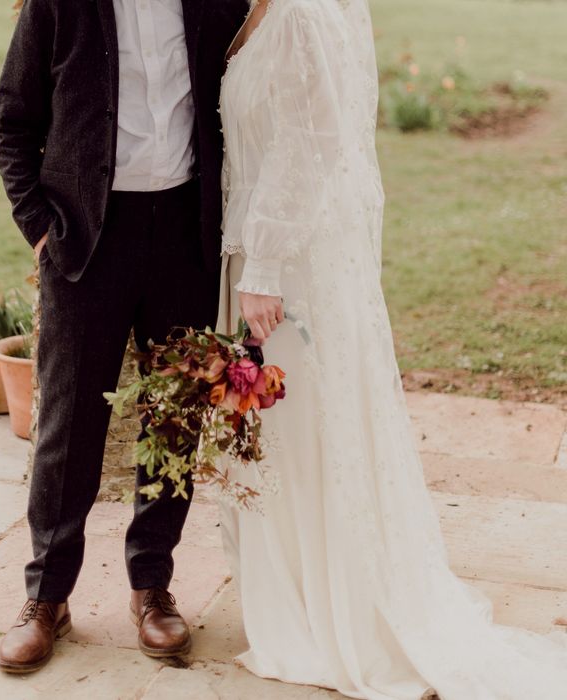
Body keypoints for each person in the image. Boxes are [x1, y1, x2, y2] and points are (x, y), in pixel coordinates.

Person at [216, 0, 567, 697]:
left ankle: (339, 606)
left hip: (286, 268)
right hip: (266, 249)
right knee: (280, 432)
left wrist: (263, 265)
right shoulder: (264, 8)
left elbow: (311, 142)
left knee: (301, 425)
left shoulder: (305, 14)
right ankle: (303, 591)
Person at [0, 0, 248, 673]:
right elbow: (12, 122)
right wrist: (42, 229)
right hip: (87, 241)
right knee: (68, 422)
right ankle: (46, 596)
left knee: (173, 419)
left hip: (187, 237)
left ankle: (151, 585)